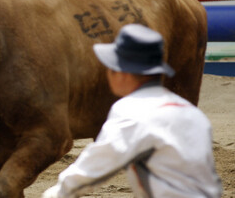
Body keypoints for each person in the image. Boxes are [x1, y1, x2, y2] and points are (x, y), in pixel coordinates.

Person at [43, 24, 222, 198]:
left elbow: (91, 169)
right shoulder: (191, 112)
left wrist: (55, 194)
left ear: (123, 74)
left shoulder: (132, 110)